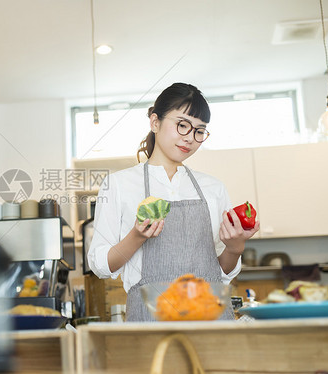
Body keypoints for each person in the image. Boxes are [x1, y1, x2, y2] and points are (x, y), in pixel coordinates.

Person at [87, 82, 260, 321]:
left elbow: (222, 271)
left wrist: (235, 247)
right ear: (155, 122)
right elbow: (101, 264)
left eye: (199, 131)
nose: (190, 138)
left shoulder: (213, 188)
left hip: (210, 319)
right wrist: (137, 236)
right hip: (150, 319)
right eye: (182, 125)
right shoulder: (118, 184)